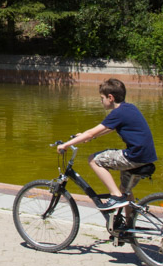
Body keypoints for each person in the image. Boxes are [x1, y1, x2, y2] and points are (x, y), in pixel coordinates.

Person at [56, 78, 156, 210]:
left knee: (93, 160)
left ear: (110, 97)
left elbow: (92, 132)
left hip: (134, 156)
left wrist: (66, 145)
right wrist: (86, 137)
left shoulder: (118, 112)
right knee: (126, 191)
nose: (101, 101)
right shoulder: (129, 108)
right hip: (145, 157)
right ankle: (127, 227)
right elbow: (105, 129)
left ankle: (115, 196)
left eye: (101, 98)